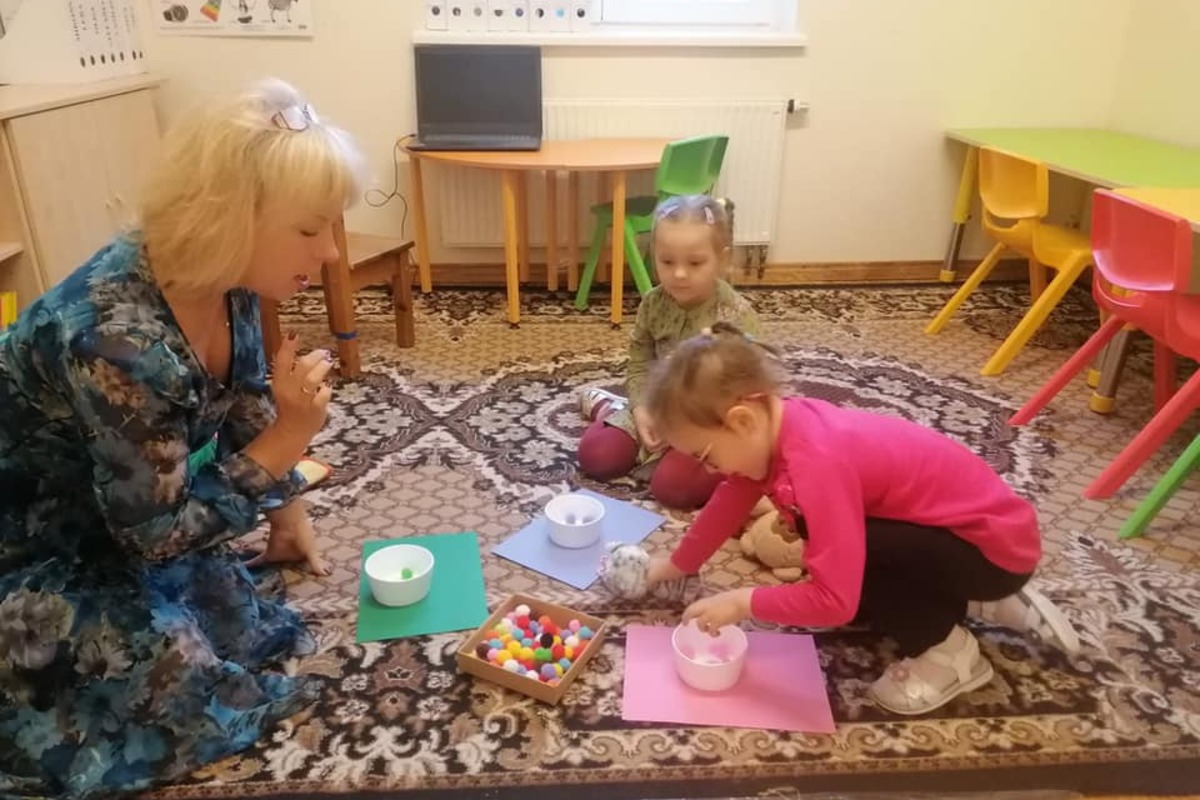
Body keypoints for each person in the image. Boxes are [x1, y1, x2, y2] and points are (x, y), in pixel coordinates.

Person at [0, 77, 366, 797]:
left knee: (234, 618)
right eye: (308, 229)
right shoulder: (115, 342)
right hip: (34, 545)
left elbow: (245, 397)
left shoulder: (225, 273)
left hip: (116, 512)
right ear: (228, 217)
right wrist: (290, 440)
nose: (329, 252)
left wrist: (286, 508)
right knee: (169, 679)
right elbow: (156, 536)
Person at [641, 323, 1080, 715]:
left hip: (993, 555)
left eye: (706, 455)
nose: (711, 470)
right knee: (836, 542)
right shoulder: (779, 426)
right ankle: (974, 598)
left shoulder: (817, 463)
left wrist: (742, 602)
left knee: (846, 554)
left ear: (741, 421)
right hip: (987, 538)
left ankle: (951, 655)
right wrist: (678, 565)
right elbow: (729, 500)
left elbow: (835, 600)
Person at [577, 195, 760, 510]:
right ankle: (612, 408)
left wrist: (695, 431)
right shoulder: (653, 303)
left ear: (722, 259)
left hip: (709, 424)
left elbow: (750, 394)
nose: (679, 274)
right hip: (657, 405)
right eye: (667, 262)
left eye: (695, 263)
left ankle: (643, 435)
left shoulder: (736, 316)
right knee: (595, 456)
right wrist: (641, 410)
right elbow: (639, 362)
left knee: (674, 488)